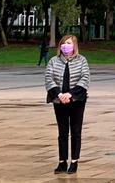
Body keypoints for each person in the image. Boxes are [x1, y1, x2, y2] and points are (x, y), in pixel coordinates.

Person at [45, 35, 90, 174]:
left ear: (74, 45)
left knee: (76, 132)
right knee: (62, 132)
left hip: (76, 100)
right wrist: (59, 94)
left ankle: (74, 161)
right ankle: (62, 162)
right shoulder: (53, 61)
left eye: (69, 43)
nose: (65, 45)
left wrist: (70, 94)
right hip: (59, 100)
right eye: (63, 43)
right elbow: (48, 78)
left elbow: (85, 78)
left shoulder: (82, 60)